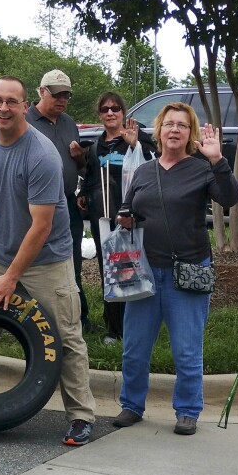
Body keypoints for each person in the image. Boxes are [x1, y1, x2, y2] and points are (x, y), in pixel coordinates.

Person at [0, 76, 97, 446]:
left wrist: (11, 278)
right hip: (0, 256)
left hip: (47, 260)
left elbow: (42, 226)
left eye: (11, 102)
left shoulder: (41, 154)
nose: (4, 108)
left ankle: (81, 416)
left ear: (23, 106)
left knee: (65, 336)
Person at [112, 102, 238, 436]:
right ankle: (131, 405)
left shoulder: (201, 169)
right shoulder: (143, 172)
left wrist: (217, 160)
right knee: (135, 348)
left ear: (190, 133)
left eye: (182, 125)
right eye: (169, 124)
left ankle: (187, 410)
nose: (174, 130)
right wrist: (124, 219)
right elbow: (128, 209)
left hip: (188, 270)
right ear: (159, 130)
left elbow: (230, 198)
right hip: (142, 271)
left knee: (186, 348)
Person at [79, 91, 157, 345]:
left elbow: (152, 168)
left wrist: (135, 144)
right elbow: (90, 175)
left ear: (124, 112)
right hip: (103, 219)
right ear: (99, 115)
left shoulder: (138, 138)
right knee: (109, 272)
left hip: (132, 219)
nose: (110, 113)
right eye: (105, 109)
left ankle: (136, 325)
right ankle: (113, 327)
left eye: (115, 108)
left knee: (130, 270)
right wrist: (83, 194)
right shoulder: (97, 144)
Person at [25, 69, 91, 331]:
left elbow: (81, 166)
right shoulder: (25, 120)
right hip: (32, 206)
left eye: (67, 95)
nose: (62, 100)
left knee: (70, 261)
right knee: (33, 263)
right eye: (57, 94)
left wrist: (79, 159)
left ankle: (77, 318)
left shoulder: (68, 122)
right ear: (41, 92)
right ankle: (32, 322)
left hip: (65, 203)